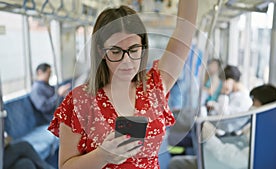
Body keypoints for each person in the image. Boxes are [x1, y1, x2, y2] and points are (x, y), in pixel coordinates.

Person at [48, 2, 198, 169]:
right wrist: (102, 155)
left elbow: (185, 30)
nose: (126, 61)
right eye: (116, 52)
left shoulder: (154, 87)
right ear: (101, 51)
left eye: (134, 50)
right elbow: (65, 166)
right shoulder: (79, 102)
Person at [168, 84, 276, 169]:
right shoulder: (259, 127)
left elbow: (233, 158)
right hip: (222, 152)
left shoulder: (266, 136)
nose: (252, 106)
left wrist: (210, 138)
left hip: (225, 162)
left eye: (255, 102)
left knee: (177, 163)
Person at [207, 65, 252, 135]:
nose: (223, 84)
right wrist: (215, 106)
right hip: (224, 127)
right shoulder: (236, 94)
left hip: (228, 131)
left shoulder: (243, 98)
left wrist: (224, 93)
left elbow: (224, 115)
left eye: (224, 81)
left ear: (230, 80)